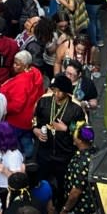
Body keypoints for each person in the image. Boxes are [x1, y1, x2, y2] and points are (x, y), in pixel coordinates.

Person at [32, 74, 86, 207]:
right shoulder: (44, 102)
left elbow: (81, 133)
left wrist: (66, 129)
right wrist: (35, 130)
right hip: (44, 152)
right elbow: (34, 119)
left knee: (63, 185)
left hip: (64, 154)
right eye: (54, 90)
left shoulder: (76, 109)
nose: (56, 93)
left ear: (67, 92)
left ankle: (61, 205)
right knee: (40, 182)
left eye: (59, 90)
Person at [61, 125, 98, 214]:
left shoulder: (81, 163)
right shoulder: (96, 152)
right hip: (94, 203)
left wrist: (65, 209)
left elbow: (76, 192)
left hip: (80, 208)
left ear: (80, 140)